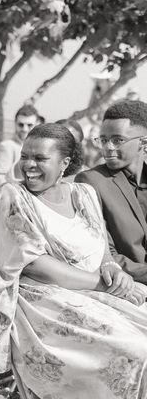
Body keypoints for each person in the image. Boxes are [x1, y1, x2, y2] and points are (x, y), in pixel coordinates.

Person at [0, 122, 147, 399]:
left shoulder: (84, 194)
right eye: (25, 157)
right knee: (139, 348)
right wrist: (102, 284)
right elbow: (37, 266)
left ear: (65, 162)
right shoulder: (12, 195)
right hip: (44, 302)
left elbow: (102, 250)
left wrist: (113, 271)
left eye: (40, 158)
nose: (29, 165)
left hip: (97, 292)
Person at [76, 100, 147, 285]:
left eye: (117, 140)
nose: (108, 147)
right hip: (128, 286)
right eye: (103, 139)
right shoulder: (90, 181)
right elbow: (103, 251)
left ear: (143, 142)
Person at [0, 104, 40, 182]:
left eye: (29, 125)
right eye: (21, 125)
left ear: (37, 125)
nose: (25, 129)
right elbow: (0, 179)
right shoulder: (6, 146)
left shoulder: (40, 148)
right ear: (15, 123)